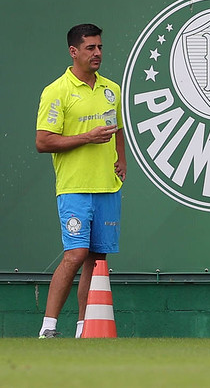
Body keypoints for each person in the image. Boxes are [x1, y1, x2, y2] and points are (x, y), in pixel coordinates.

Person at [35, 24, 126, 338]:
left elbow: (118, 128)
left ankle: (85, 329)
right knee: (75, 254)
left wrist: (121, 158)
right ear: (74, 51)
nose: (97, 53)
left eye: (100, 46)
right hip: (74, 187)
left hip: (106, 187)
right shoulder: (56, 91)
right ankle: (48, 327)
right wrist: (86, 138)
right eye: (90, 48)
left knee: (97, 258)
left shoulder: (111, 89)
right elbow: (43, 141)